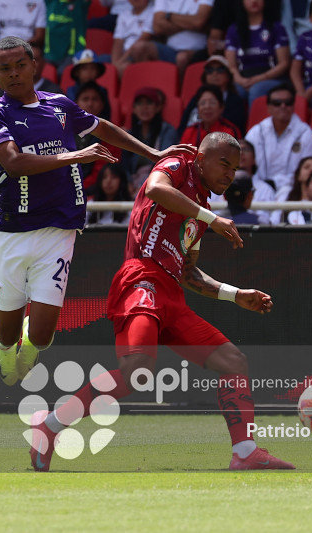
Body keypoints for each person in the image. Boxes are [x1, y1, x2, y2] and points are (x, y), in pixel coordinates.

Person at [28, 131, 295, 472]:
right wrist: (211, 220)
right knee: (136, 373)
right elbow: (155, 189)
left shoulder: (201, 210)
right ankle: (49, 427)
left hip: (171, 294)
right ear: (200, 158)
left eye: (236, 168)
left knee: (233, 361)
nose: (230, 174)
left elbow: (189, 274)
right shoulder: (178, 167)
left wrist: (234, 294)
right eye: (224, 164)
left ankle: (244, 451)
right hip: (141, 279)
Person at [0, 36, 193, 387]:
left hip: (60, 228)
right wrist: (76, 155)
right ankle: (3, 346)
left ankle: (31, 342)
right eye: (5, 68)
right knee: (8, 331)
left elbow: (100, 126)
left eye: (20, 65)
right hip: (14, 231)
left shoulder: (59, 105)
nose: (14, 73)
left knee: (43, 337)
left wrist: (153, 154)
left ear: (35, 67)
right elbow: (13, 163)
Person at [245, 84, 312, 193]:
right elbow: (245, 164)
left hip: (293, 191)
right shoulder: (257, 132)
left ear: (293, 106)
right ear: (268, 108)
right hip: (258, 189)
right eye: (277, 103)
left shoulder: (305, 134)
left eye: (288, 102)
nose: (283, 106)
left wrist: (275, 183)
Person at [225, 0, 290, 108]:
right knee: (230, 91)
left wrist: (260, 78)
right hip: (243, 78)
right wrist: (240, 80)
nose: (254, 1)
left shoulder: (276, 28)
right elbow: (231, 66)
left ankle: (254, 125)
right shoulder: (233, 30)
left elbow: (284, 64)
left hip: (272, 78)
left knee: (257, 90)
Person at [129, 0, 213, 73]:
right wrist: (190, 23)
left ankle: (178, 90)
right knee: (140, 48)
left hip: (196, 50)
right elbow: (157, 27)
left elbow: (198, 22)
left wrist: (170, 16)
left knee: (181, 58)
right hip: (170, 50)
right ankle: (150, 88)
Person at [122, 87, 178, 189]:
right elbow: (125, 165)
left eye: (149, 103)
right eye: (139, 103)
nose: (144, 107)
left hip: (158, 184)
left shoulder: (167, 131)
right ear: (134, 109)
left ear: (157, 107)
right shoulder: (130, 134)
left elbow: (165, 161)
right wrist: (129, 183)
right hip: (132, 187)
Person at [179, 55, 247, 135]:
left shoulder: (235, 101)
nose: (214, 73)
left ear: (228, 75)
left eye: (220, 69)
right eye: (209, 70)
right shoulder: (196, 98)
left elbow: (235, 131)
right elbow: (182, 128)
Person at [73, 81, 118, 188]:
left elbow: (101, 173)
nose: (90, 104)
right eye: (85, 99)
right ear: (76, 103)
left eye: (95, 99)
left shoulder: (109, 134)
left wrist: (77, 188)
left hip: (95, 192)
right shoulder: (65, 131)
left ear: (102, 105)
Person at [270, 155, 312, 224]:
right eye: (307, 167)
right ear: (298, 176)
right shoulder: (285, 195)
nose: (311, 170)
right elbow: (274, 222)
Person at [111, 0, 155, 77]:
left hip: (139, 55)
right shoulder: (124, 14)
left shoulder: (153, 12)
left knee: (124, 67)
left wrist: (121, 61)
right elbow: (118, 41)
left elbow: (145, 37)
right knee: (100, 62)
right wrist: (114, 63)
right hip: (123, 54)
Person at [44, 0, 91, 67]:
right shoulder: (51, 2)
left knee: (63, 74)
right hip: (49, 54)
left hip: (72, 54)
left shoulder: (80, 4)